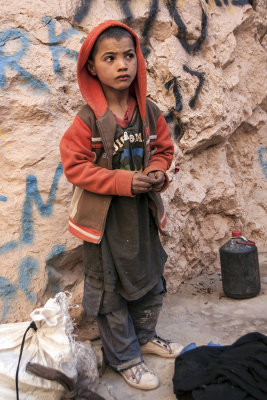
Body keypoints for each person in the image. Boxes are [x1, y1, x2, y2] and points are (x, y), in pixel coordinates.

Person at [60, 20, 183, 391]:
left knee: (149, 277)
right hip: (103, 225)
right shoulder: (86, 122)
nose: (122, 65)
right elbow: (75, 166)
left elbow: (163, 149)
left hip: (139, 217)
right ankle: (125, 357)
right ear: (92, 67)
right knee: (109, 289)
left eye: (129, 55)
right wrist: (123, 180)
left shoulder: (148, 111)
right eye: (110, 58)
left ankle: (145, 335)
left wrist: (159, 172)